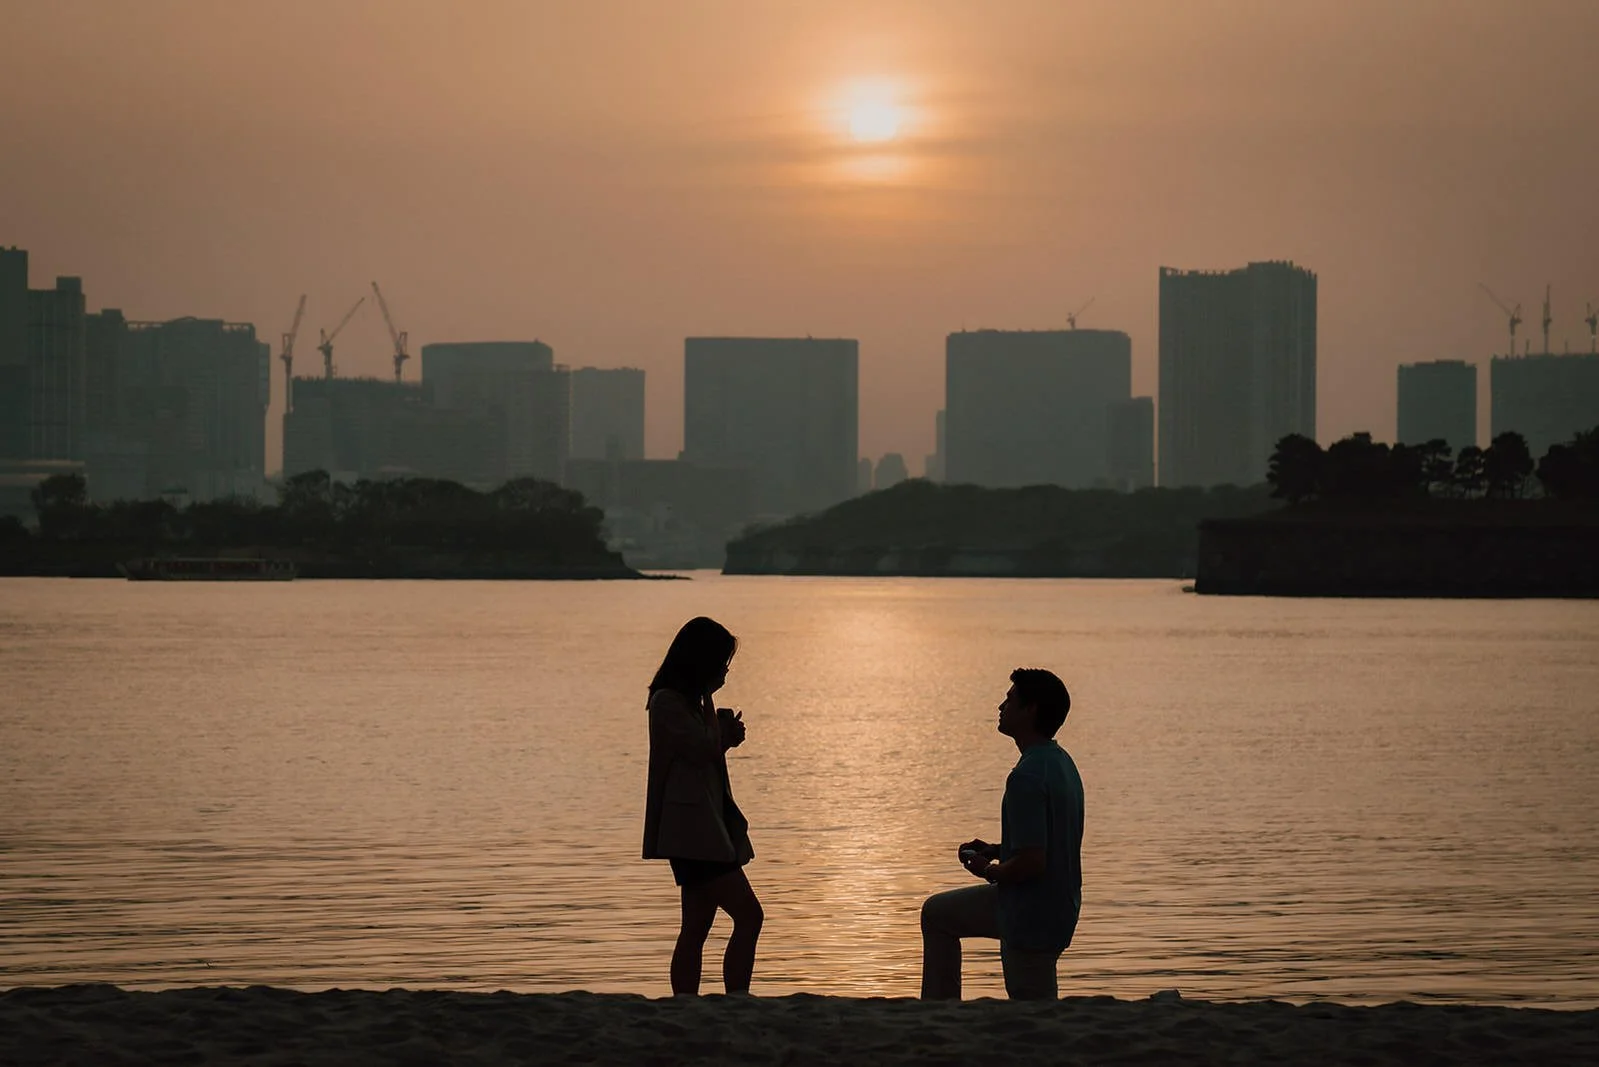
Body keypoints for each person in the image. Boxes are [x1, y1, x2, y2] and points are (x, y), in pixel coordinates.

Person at [920, 667, 1084, 1000]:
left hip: (1031, 912)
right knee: (938, 914)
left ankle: (940, 1009)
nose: (1001, 706)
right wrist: (999, 848)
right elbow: (1047, 841)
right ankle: (940, 1011)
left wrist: (989, 870)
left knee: (1033, 1007)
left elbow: (1032, 863)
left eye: (1009, 699)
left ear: (1030, 709)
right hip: (1060, 905)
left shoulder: (1027, 776)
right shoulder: (1061, 763)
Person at [642, 616, 763, 995]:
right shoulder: (668, 703)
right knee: (749, 916)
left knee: (696, 927)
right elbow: (701, 750)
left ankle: (687, 1002)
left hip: (705, 829)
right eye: (721, 663)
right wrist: (718, 724)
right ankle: (736, 998)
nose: (725, 671)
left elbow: (706, 751)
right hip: (692, 833)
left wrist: (724, 734)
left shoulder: (688, 704)